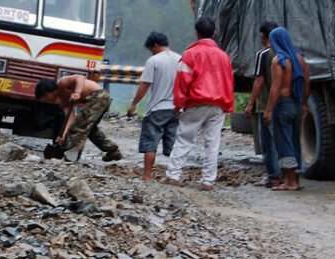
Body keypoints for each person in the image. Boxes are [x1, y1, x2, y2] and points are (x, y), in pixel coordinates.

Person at [163, 16, 234, 190]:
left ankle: (173, 175)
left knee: (184, 139)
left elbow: (182, 81)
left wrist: (178, 104)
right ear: (214, 33)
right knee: (212, 143)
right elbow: (229, 82)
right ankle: (208, 181)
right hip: (218, 105)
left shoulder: (190, 54)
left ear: (197, 33)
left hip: (195, 103)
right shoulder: (224, 57)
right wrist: (228, 106)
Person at [127, 32, 180, 181]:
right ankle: (173, 176)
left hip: (157, 108)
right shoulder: (180, 59)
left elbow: (145, 84)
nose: (152, 51)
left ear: (155, 45)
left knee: (151, 142)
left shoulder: (154, 60)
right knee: (173, 145)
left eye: (151, 49)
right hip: (176, 108)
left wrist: (134, 104)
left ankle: (147, 175)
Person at [263, 27, 310, 191]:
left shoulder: (279, 61)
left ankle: (289, 182)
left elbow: (275, 88)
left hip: (283, 105)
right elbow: (306, 84)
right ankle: (296, 180)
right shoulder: (300, 59)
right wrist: (304, 104)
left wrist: (268, 110)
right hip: (296, 104)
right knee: (295, 140)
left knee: (284, 142)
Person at [35, 75, 122, 162]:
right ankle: (112, 150)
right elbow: (71, 119)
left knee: (80, 124)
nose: (46, 101)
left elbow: (80, 77)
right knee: (90, 129)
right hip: (101, 99)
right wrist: (63, 135)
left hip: (99, 96)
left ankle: (72, 158)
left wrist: (77, 92)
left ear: (47, 93)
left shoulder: (62, 82)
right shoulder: (63, 101)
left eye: (44, 98)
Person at [245, 21, 281, 187]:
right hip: (284, 103)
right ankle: (285, 176)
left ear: (263, 35)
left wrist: (251, 103)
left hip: (266, 104)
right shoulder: (285, 53)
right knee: (283, 140)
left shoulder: (264, 54)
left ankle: (273, 176)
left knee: (268, 142)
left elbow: (260, 80)